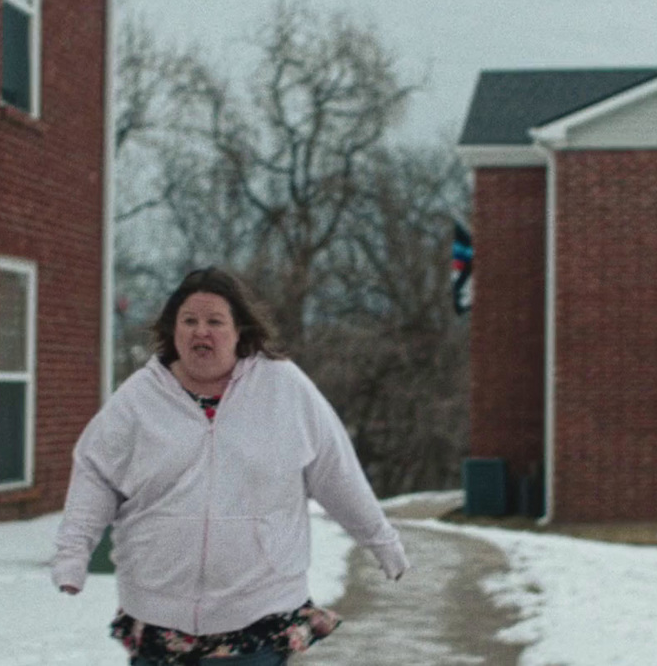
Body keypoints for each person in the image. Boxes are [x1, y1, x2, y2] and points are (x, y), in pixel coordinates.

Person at [53, 267, 409, 666]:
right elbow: (94, 474)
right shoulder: (139, 398)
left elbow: (335, 471)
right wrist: (72, 554)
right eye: (189, 321)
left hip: (258, 609)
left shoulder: (284, 389)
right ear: (173, 330)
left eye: (214, 322)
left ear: (239, 330)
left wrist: (382, 541)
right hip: (158, 614)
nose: (200, 332)